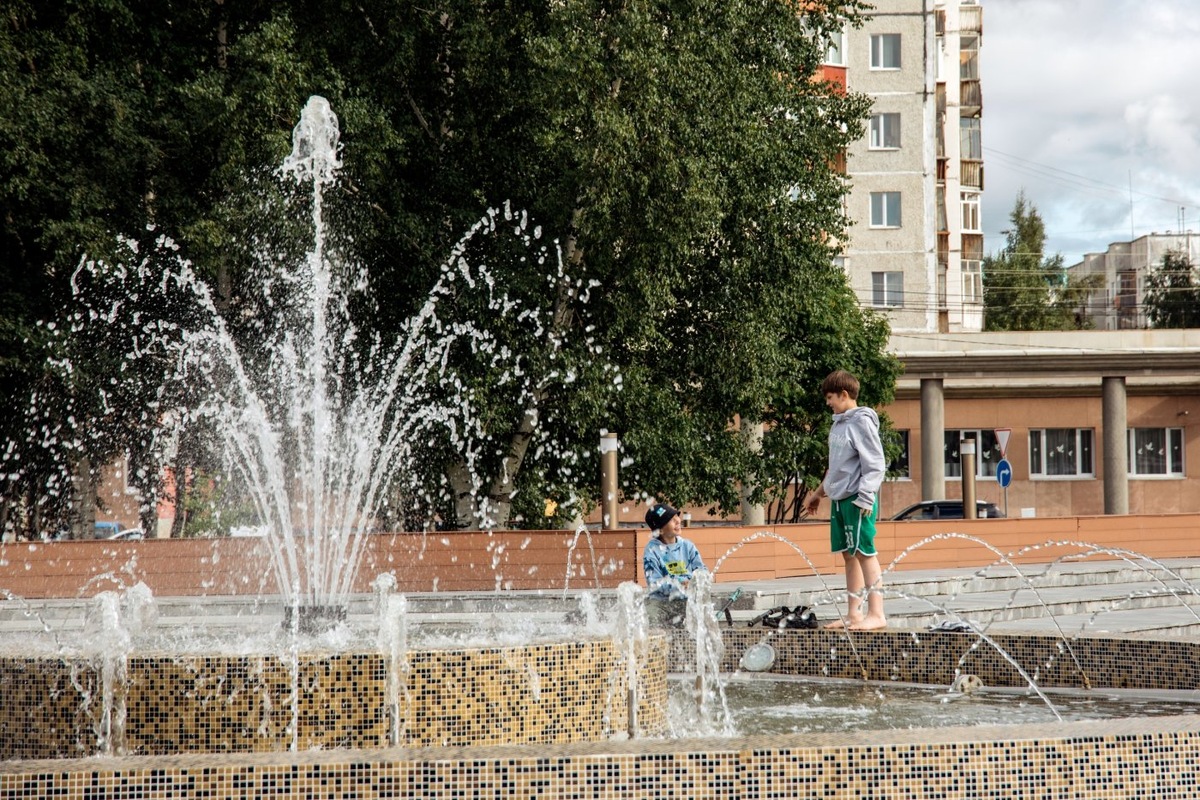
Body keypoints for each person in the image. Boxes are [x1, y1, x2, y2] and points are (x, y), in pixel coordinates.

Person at [803, 369, 888, 630]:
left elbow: (875, 463)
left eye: (830, 397)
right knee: (849, 555)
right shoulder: (838, 424)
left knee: (864, 553)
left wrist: (865, 497)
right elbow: (837, 468)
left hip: (857, 500)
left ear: (844, 394)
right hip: (840, 500)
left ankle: (877, 613)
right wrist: (819, 493)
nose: (828, 402)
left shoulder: (861, 422)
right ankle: (854, 614)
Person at [642, 502, 707, 626]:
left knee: (701, 616)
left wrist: (700, 579)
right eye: (671, 519)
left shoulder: (687, 546)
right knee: (650, 617)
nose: (678, 520)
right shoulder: (652, 551)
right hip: (661, 602)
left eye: (676, 516)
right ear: (660, 530)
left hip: (686, 599)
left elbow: (701, 569)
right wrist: (679, 585)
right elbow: (654, 583)